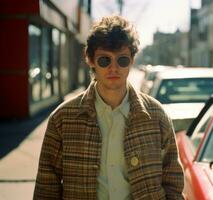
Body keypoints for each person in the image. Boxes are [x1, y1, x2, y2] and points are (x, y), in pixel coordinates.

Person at [33, 15, 184, 199]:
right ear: (90, 60)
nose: (114, 68)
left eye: (122, 60)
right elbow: (46, 188)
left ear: (132, 60)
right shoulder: (62, 119)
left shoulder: (156, 116)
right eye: (105, 60)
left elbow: (173, 182)